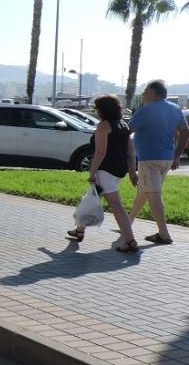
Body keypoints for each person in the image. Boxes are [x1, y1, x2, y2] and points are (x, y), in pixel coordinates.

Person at [66, 95, 138, 251]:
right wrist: (132, 172)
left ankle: (130, 241)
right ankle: (79, 229)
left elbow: (100, 152)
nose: (96, 112)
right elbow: (131, 153)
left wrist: (91, 171)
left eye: (97, 109)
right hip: (119, 170)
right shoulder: (123, 124)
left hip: (105, 170)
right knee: (91, 198)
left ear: (102, 110)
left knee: (116, 206)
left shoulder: (104, 126)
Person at [127, 80, 189, 244]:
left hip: (149, 159)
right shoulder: (175, 109)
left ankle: (164, 234)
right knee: (144, 192)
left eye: (146, 91)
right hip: (167, 159)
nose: (143, 94)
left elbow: (128, 131)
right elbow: (185, 132)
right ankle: (127, 223)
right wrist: (177, 156)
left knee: (154, 194)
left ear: (153, 92)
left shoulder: (145, 110)